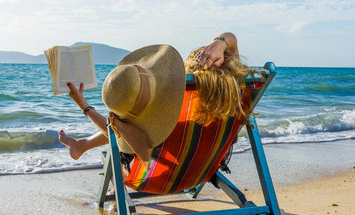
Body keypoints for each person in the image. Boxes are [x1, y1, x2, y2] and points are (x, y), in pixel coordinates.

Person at [59, 32, 256, 168]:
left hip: (156, 171)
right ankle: (82, 144)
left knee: (127, 123)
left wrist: (84, 106)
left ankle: (82, 146)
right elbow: (232, 38)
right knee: (130, 123)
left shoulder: (171, 115)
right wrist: (221, 43)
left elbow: (118, 132)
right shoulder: (235, 92)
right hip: (203, 166)